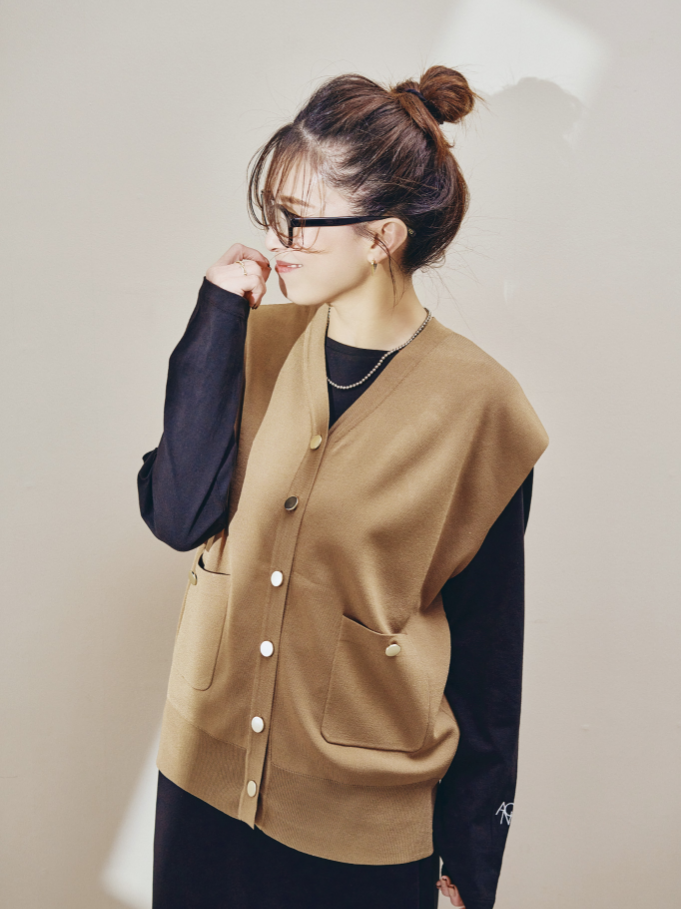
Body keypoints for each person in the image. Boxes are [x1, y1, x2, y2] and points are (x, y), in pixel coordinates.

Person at [138, 65, 548, 909]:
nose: (274, 239)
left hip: (359, 834)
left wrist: (466, 871)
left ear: (381, 237)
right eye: (270, 213)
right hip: (203, 795)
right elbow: (177, 514)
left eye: (297, 219)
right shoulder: (251, 340)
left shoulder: (482, 409)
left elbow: (487, 667)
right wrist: (215, 321)